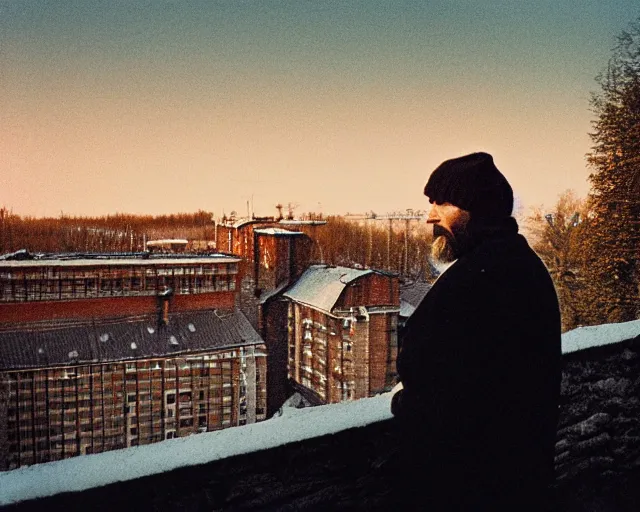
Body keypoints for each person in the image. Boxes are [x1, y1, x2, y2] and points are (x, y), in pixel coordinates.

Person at [390, 152, 562, 510]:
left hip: (474, 490)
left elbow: (449, 395)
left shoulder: (482, 279)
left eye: (442, 203)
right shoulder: (519, 264)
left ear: (477, 210)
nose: (429, 216)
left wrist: (405, 404)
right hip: (517, 481)